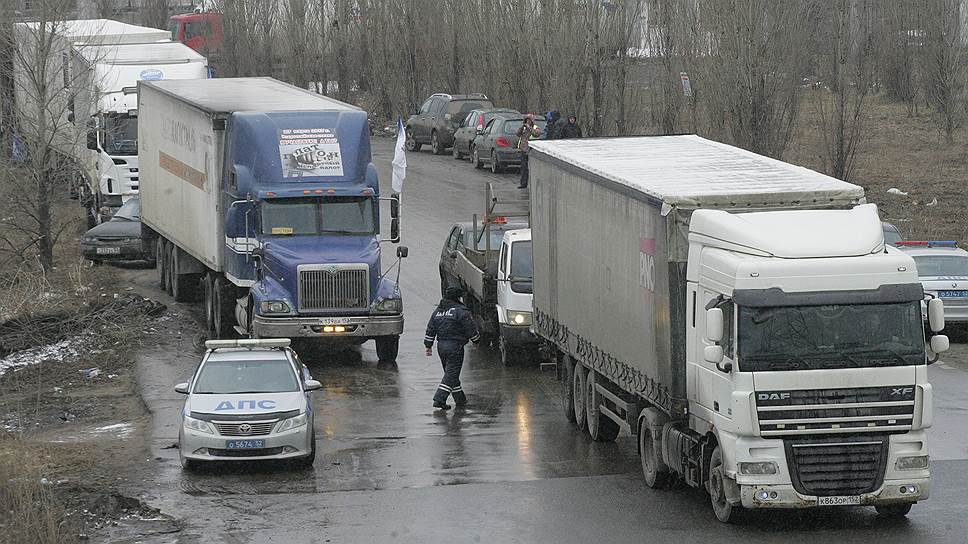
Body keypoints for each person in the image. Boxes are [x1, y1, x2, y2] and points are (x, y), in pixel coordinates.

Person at [424, 287, 481, 410]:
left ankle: (460, 399)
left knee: (450, 374)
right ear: (458, 298)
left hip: (441, 347)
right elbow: (470, 328)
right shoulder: (461, 311)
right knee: (451, 375)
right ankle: (439, 398)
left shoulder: (437, 312)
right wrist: (476, 340)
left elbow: (430, 329)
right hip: (455, 346)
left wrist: (428, 345)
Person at [516, 114, 542, 189]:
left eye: (529, 120)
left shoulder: (535, 128)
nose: (528, 122)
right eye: (527, 120)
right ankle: (523, 184)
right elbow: (518, 134)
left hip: (532, 151)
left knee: (534, 168)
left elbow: (536, 134)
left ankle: (535, 183)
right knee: (524, 168)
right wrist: (522, 128)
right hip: (524, 150)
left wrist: (529, 128)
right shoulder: (523, 128)